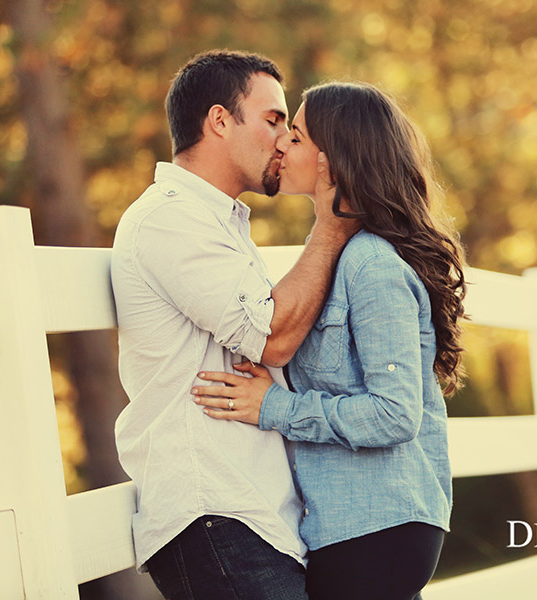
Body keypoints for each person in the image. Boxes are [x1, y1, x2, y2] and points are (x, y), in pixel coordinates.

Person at [192, 81, 466, 600]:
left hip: (377, 523)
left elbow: (394, 413)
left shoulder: (371, 264)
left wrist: (275, 407)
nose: (280, 146)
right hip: (357, 524)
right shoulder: (339, 259)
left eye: (294, 137)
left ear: (332, 159)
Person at [111, 51, 357, 599]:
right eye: (274, 120)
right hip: (213, 514)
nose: (285, 140)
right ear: (220, 121)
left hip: (253, 518)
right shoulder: (171, 218)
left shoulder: (220, 223)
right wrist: (332, 225)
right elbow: (272, 337)